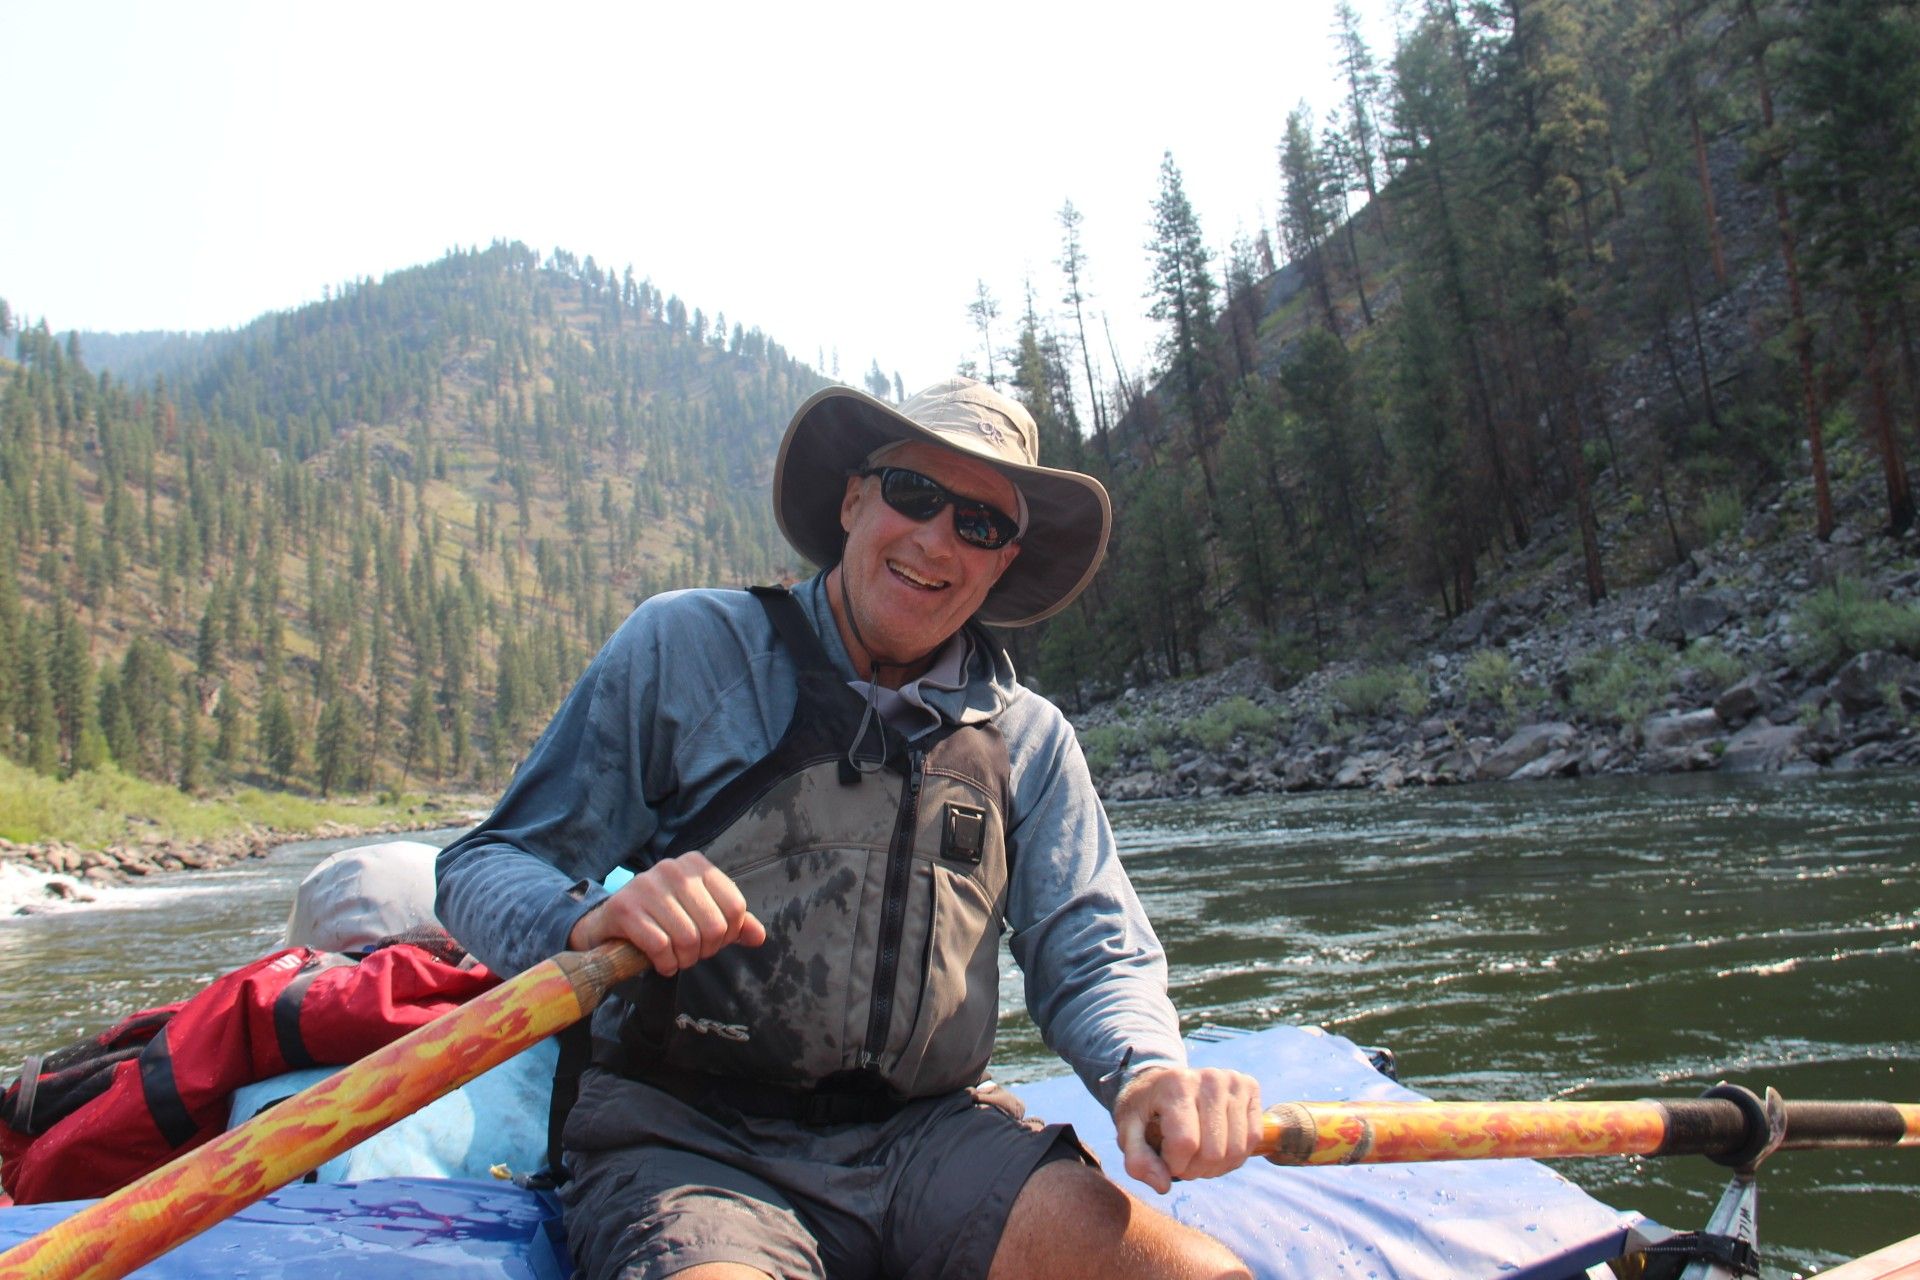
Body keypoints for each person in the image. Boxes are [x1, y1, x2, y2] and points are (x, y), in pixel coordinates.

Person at [435, 377, 1263, 1280]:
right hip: (691, 1143)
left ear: (1001, 561)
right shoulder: (685, 650)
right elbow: (483, 864)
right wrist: (589, 920)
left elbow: (1093, 952)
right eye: (915, 494)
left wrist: (1145, 1070)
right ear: (853, 499)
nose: (937, 540)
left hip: (930, 1140)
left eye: (980, 524)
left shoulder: (1031, 740)